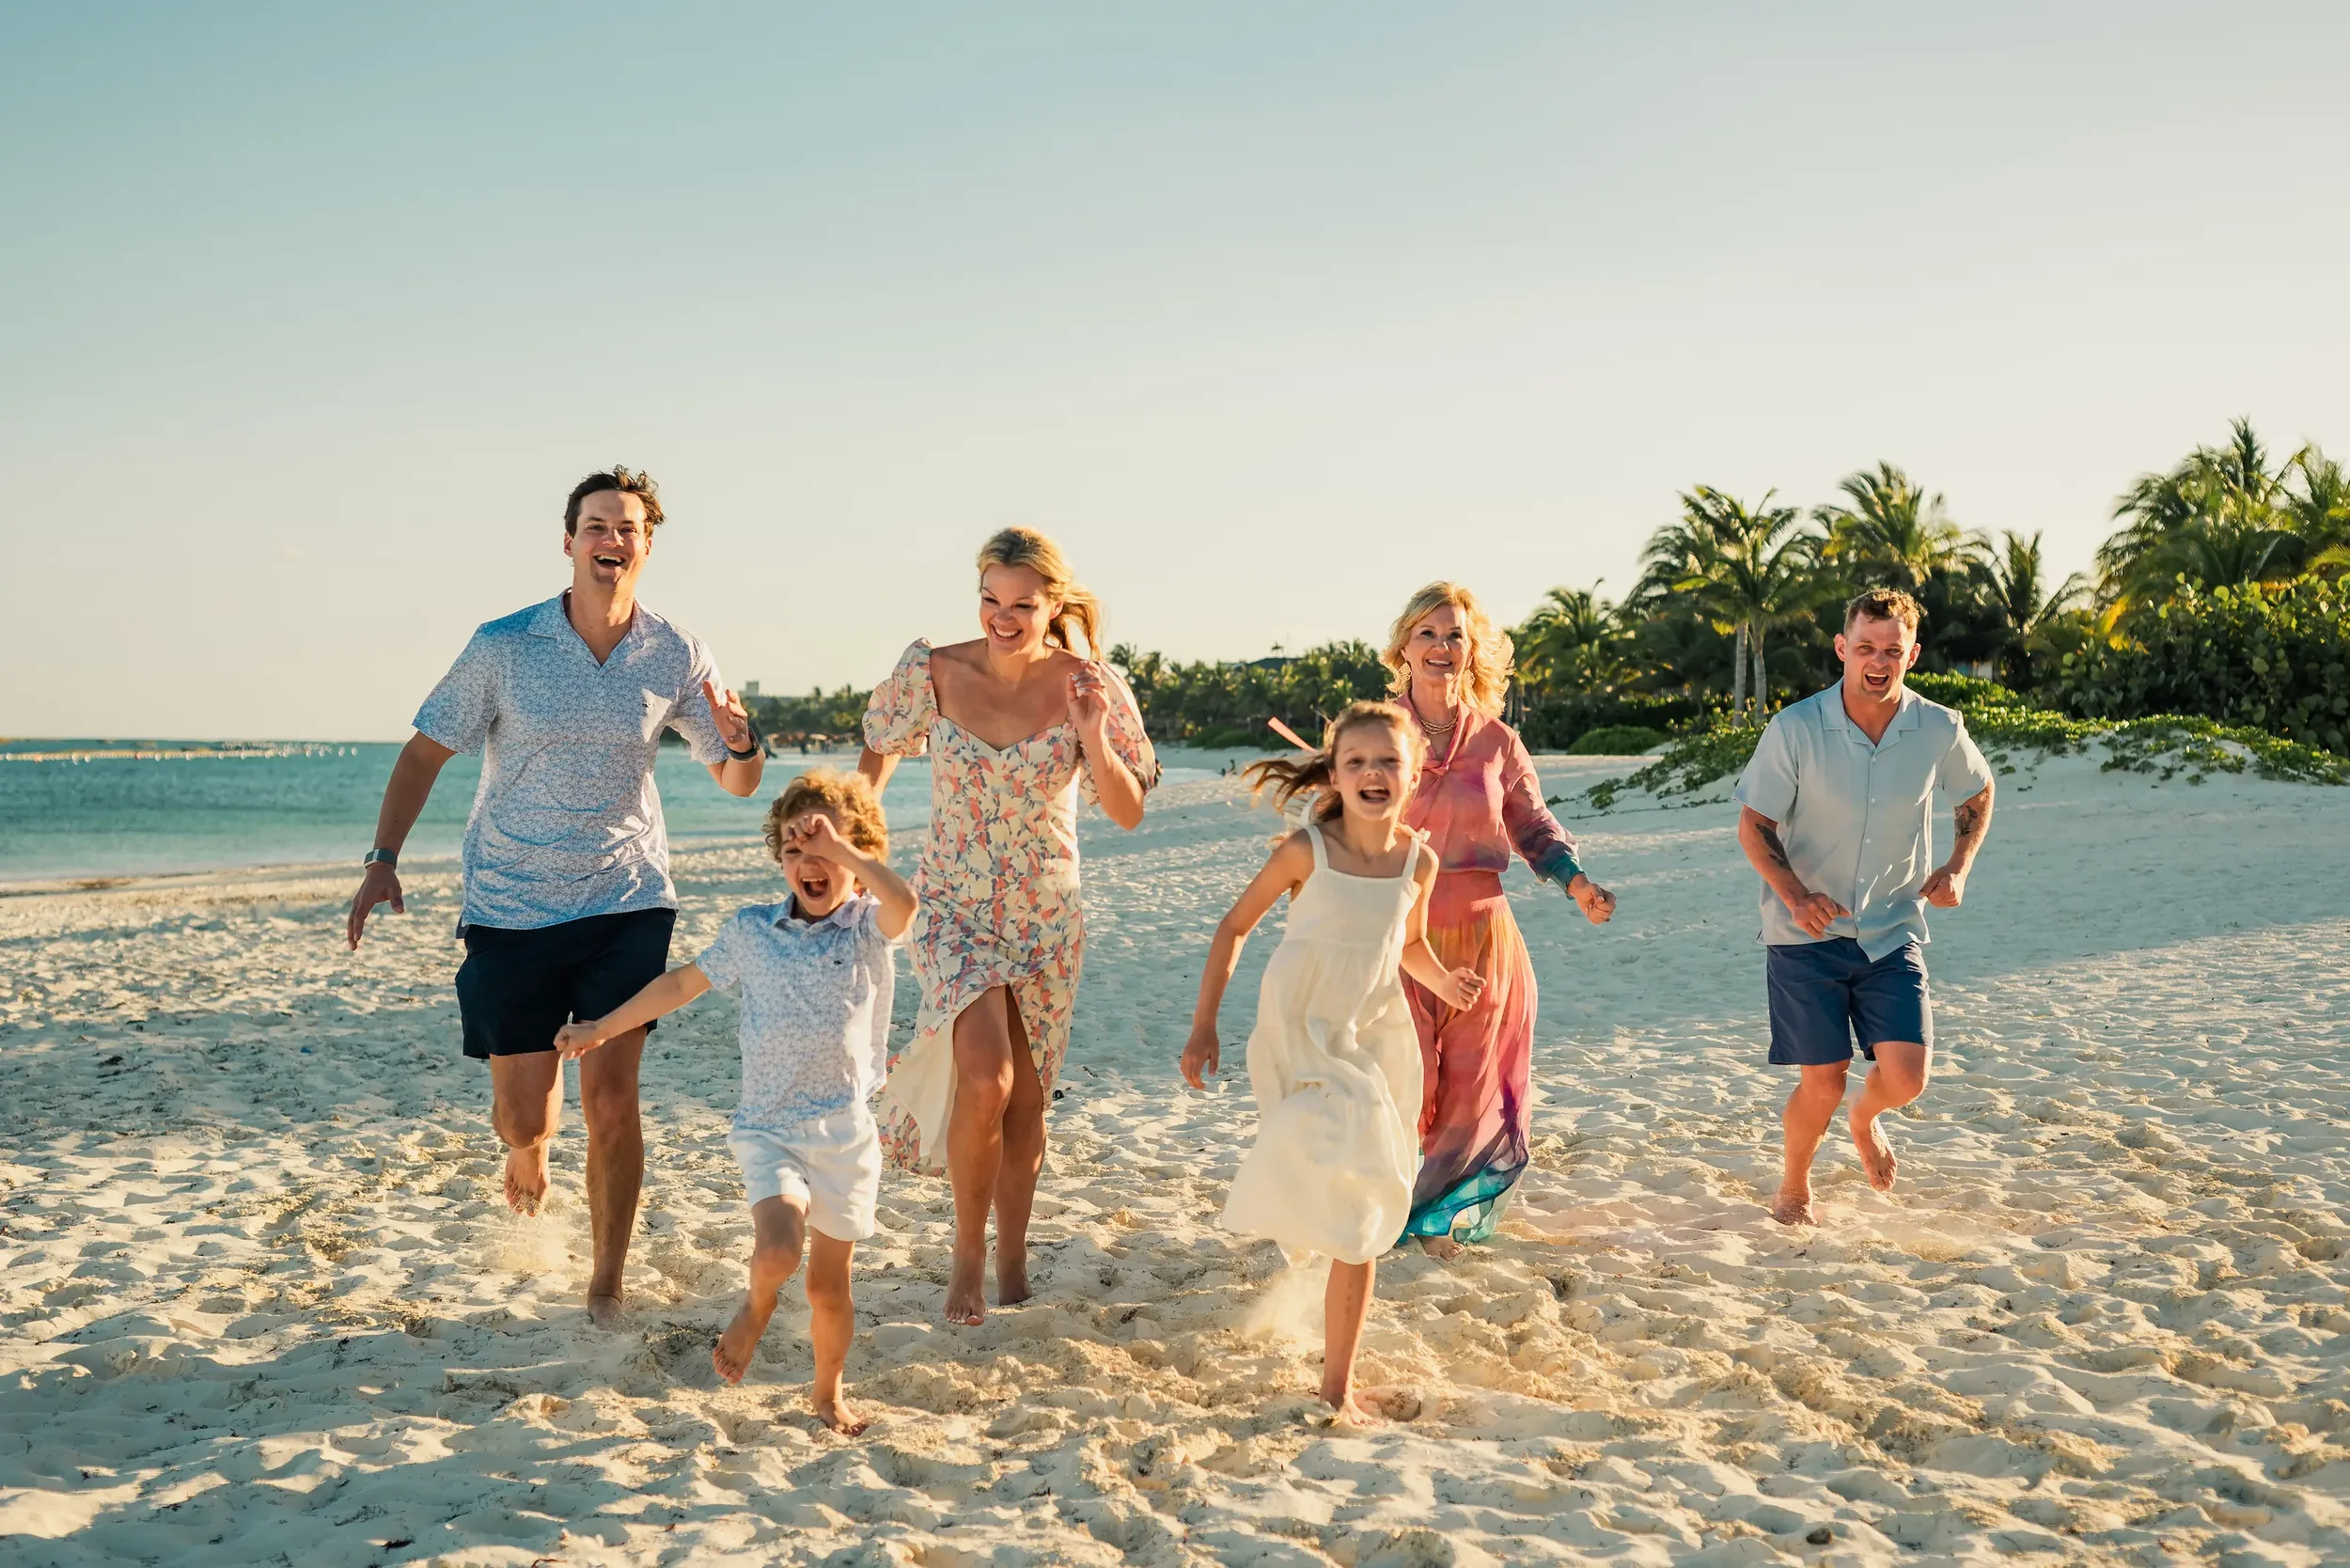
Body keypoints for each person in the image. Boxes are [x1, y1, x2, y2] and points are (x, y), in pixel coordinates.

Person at [345, 467, 764, 1325]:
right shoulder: (505, 644)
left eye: (630, 527)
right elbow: (425, 754)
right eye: (597, 525)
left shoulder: (676, 652)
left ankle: (606, 1282)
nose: (614, 539)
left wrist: (745, 740)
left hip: (628, 896)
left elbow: (736, 781)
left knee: (612, 1099)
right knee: (521, 1114)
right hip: (511, 900)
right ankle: (527, 1151)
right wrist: (383, 859)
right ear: (568, 539)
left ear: (649, 543)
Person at [859, 527, 1155, 1326]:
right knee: (984, 1078)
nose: (1003, 616)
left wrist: (1093, 733)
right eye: (991, 599)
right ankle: (964, 1260)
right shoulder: (934, 671)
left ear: (1053, 606)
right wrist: (856, 840)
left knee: (1026, 1104)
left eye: (1022, 604)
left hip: (1047, 918)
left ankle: (1014, 1259)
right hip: (951, 908)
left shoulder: (1090, 686)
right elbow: (879, 753)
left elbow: (1126, 812)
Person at [555, 771, 912, 1433]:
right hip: (769, 1128)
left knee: (830, 1289)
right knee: (777, 1252)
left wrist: (848, 851)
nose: (810, 864)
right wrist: (601, 1027)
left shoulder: (866, 926)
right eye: (795, 849)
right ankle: (756, 1304)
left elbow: (907, 905)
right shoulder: (754, 930)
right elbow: (680, 984)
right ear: (778, 858)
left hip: (846, 1135)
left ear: (857, 860)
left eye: (825, 850)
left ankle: (828, 1392)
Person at [1181, 702, 1482, 1422]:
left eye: (1388, 762)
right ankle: (1293, 1223)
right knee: (1326, 1148)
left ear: (1415, 774)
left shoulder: (1420, 859)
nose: (1373, 773)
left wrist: (1446, 983)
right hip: (1300, 1029)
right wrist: (1203, 1027)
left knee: (1372, 1192)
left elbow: (1406, 945)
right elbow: (1233, 927)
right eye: (1357, 762)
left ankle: (1338, 1383)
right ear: (1336, 774)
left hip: (1374, 1032)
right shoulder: (1304, 851)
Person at [1733, 588, 1996, 1226]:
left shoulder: (1938, 728)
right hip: (1806, 936)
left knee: (1906, 1079)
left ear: (1913, 654)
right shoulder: (1795, 729)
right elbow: (1755, 825)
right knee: (1821, 1080)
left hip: (1891, 929)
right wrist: (1795, 896)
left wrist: (1958, 866)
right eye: (1866, 648)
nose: (1878, 662)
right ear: (1841, 648)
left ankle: (1865, 1115)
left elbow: (1979, 792)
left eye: (1892, 651)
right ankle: (1795, 1185)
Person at [1382, 583, 1617, 1259]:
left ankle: (1429, 1220)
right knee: (1407, 1075)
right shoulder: (1379, 729)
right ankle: (1390, 1201)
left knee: (1468, 1080)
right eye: (1428, 633)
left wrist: (1574, 881)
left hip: (1483, 932)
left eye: (1454, 635)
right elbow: (1343, 818)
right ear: (1404, 645)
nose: (1441, 647)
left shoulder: (1496, 739)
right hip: (1398, 929)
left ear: (1472, 651)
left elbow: (1532, 824)